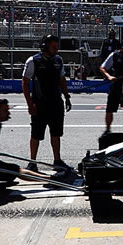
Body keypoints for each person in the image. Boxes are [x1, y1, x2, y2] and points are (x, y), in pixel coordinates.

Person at [0, 99, 69, 191]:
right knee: (16, 170)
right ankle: (52, 179)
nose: (9, 113)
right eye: (5, 110)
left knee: (9, 176)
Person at [22, 34, 72, 172]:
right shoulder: (33, 61)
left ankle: (57, 160)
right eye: (54, 47)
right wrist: (30, 104)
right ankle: (32, 162)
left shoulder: (58, 60)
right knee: (36, 134)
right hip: (40, 105)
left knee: (56, 133)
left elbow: (62, 79)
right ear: (45, 46)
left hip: (56, 103)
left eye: (57, 47)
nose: (56, 50)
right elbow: (25, 83)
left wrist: (67, 97)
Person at [100, 35, 123, 134]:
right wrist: (109, 76)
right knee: (109, 109)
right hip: (116, 84)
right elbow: (102, 68)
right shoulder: (114, 55)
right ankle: (108, 130)